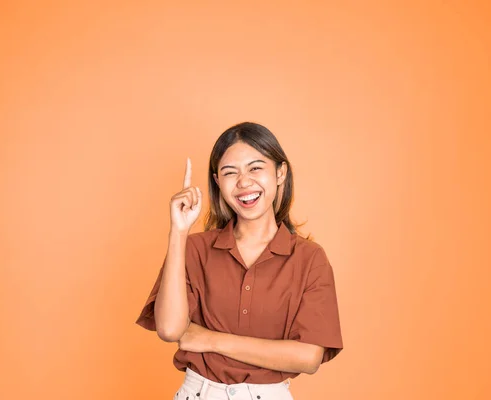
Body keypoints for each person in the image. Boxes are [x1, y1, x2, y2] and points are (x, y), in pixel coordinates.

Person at [136, 122, 343, 400]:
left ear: (280, 173)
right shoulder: (195, 248)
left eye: (255, 168)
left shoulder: (309, 258)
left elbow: (308, 357)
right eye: (230, 172)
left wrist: (210, 339)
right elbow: (171, 329)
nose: (244, 182)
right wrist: (179, 231)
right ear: (217, 182)